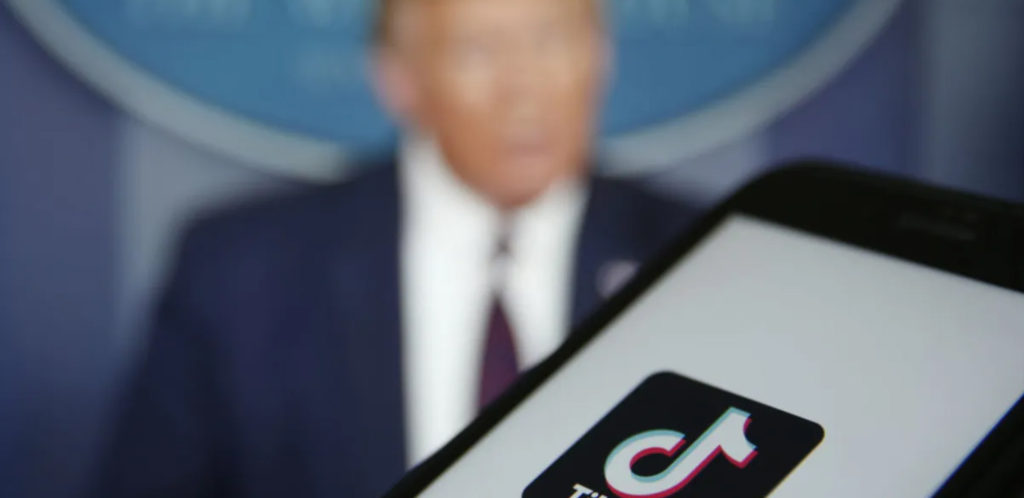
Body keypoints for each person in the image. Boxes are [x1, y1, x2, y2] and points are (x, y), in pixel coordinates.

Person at [92, 0, 697, 496]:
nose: (524, 88)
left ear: (602, 55)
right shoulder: (244, 271)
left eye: (552, 40)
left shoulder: (697, 257)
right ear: (399, 79)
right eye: (477, 50)